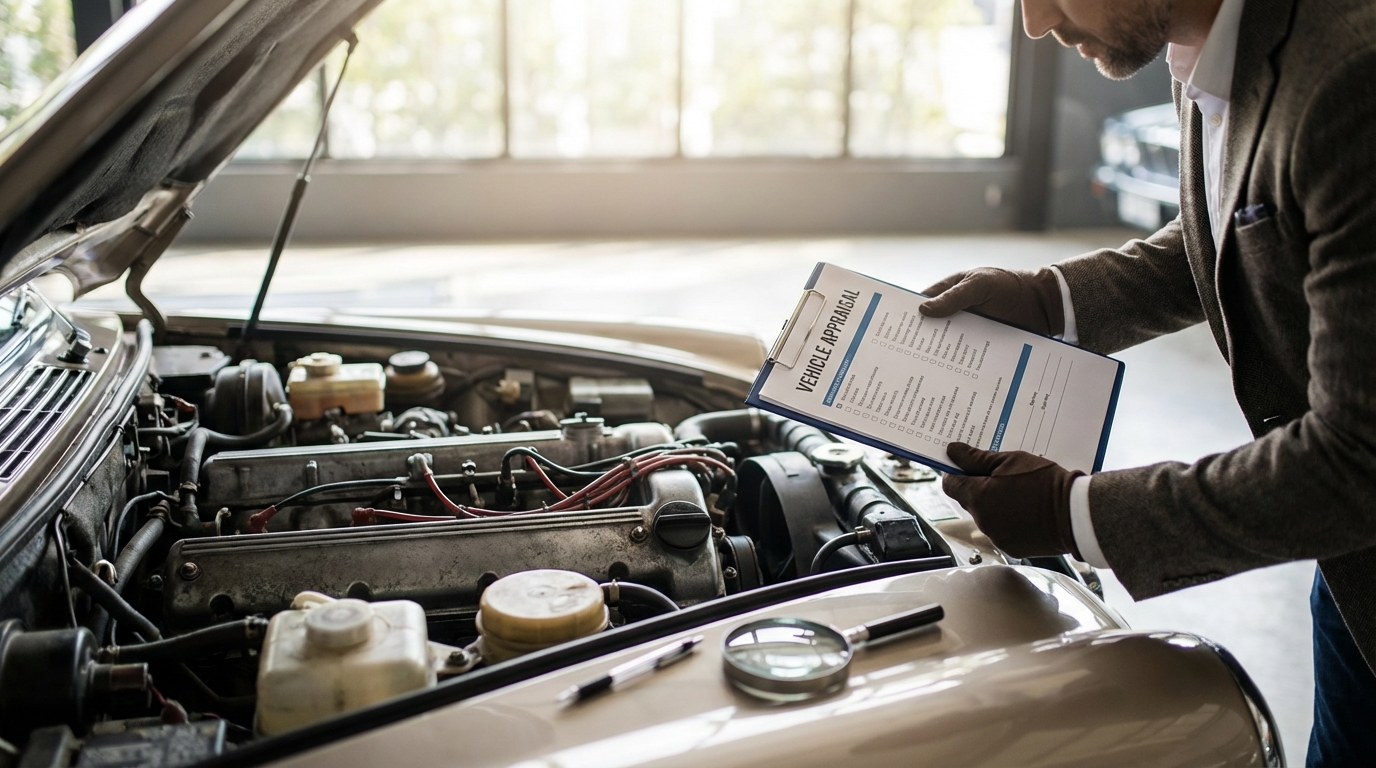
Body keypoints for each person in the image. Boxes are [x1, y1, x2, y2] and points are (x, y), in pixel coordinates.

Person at [920, 0, 1376, 764]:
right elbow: (1237, 230)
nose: (1034, 23)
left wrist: (1076, 514)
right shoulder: (1207, 48)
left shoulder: (1352, 78)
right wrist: (1046, 299)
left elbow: (1356, 462)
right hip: (1355, 578)